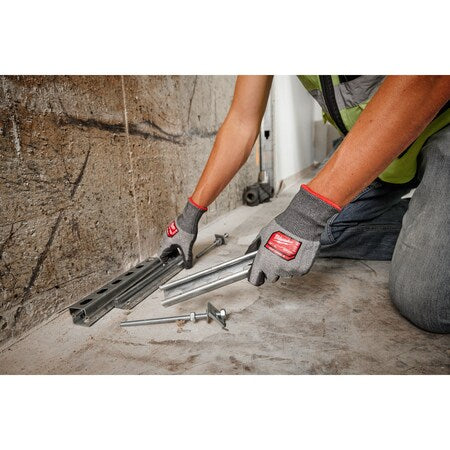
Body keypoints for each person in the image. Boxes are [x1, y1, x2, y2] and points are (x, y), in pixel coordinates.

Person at [159, 75, 450, 333]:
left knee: (426, 302)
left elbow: (429, 78)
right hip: (386, 156)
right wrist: (190, 215)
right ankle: (426, 224)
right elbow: (241, 122)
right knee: (322, 237)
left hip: (441, 130)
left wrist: (307, 216)